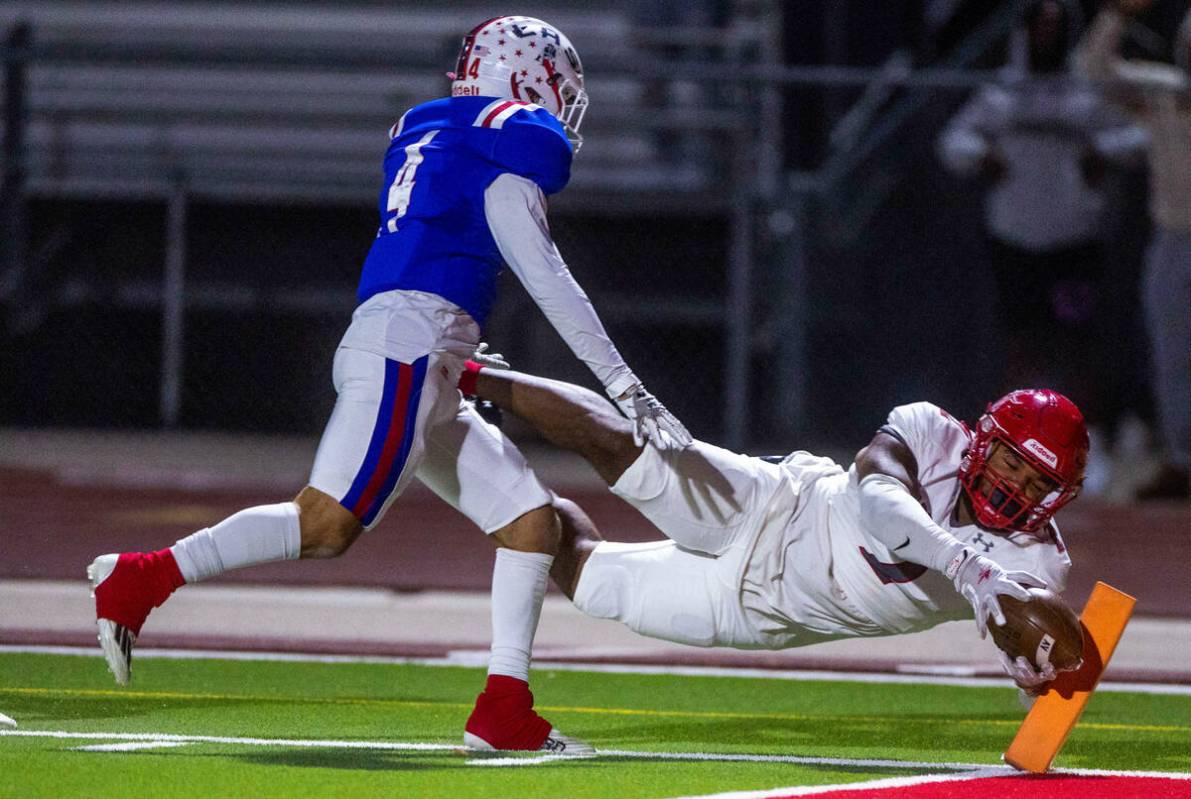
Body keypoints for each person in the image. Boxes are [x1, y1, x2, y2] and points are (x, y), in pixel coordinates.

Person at [86, 15, 689, 754]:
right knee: (327, 525)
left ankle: (503, 711)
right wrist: (623, 381)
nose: (562, 107)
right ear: (527, 77)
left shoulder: (434, 129)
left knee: (533, 521)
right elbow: (544, 273)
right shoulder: (507, 137)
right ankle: (144, 576)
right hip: (410, 346)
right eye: (557, 88)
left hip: (426, 349)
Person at [461, 359, 1090, 696]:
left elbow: (1038, 665)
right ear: (985, 443)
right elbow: (879, 500)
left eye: (1039, 485)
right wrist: (969, 570)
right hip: (776, 506)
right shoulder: (930, 430)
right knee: (626, 446)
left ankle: (503, 482)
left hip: (767, 609)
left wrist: (1032, 679)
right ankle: (467, 377)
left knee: (590, 581)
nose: (1017, 490)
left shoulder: (1039, 567)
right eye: (1013, 464)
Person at [938, 0, 1146, 473]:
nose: (1046, 36)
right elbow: (954, 144)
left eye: (1056, 27)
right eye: (1040, 27)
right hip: (1014, 238)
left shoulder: (1087, 96)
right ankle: (1012, 443)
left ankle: (1082, 447)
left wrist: (1101, 152)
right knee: (1021, 342)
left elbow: (1137, 138)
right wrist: (983, 155)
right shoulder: (999, 98)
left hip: (1074, 238)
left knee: (1075, 343)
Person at [1076, 0, 1191, 501]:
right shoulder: (1162, 93)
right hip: (1175, 237)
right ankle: (1183, 460)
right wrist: (1117, 16)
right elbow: (1093, 73)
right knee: (1172, 354)